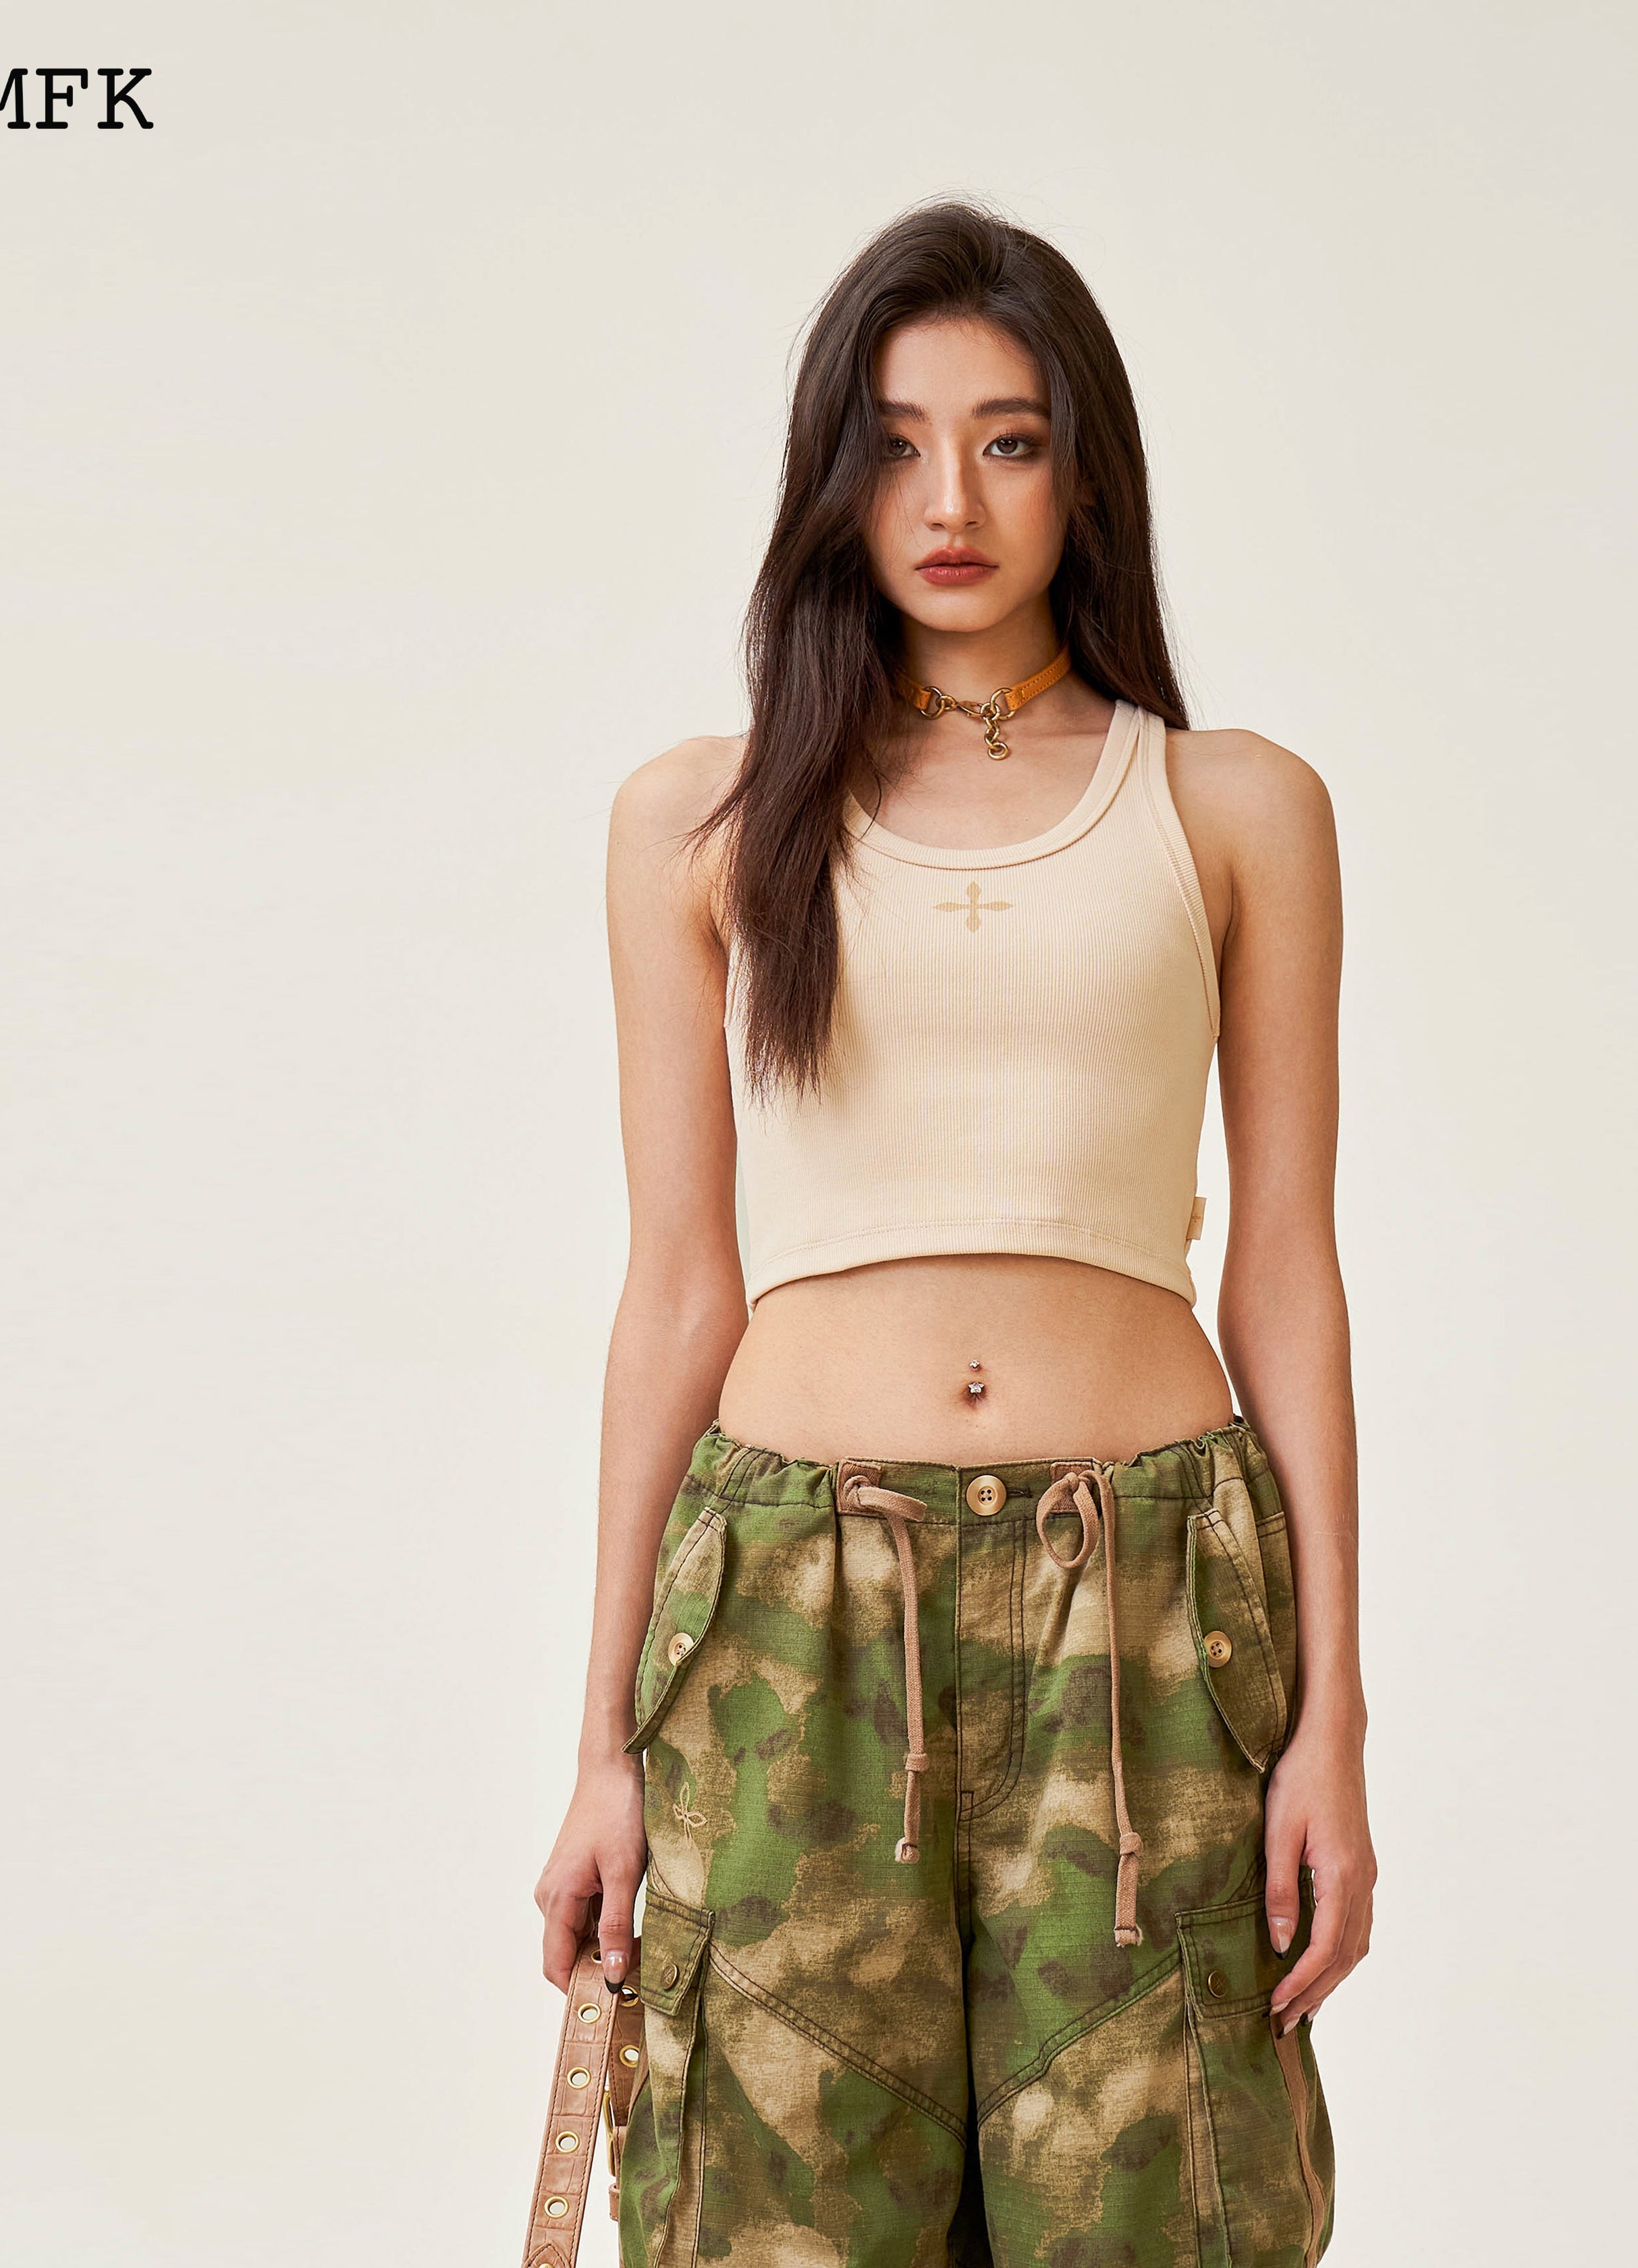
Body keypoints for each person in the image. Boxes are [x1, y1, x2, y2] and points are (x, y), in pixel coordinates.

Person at [533, 198, 1375, 2266]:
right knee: (765, 2215)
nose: (951, 502)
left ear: (1086, 472)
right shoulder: (706, 819)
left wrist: (1334, 1722)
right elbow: (677, 1290)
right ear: (832, 477)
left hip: (1149, 1610)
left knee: (1168, 2210)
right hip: (792, 1617)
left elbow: (1285, 1269)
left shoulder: (1235, 805)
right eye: (897, 444)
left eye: (1008, 441)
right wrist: (599, 1745)